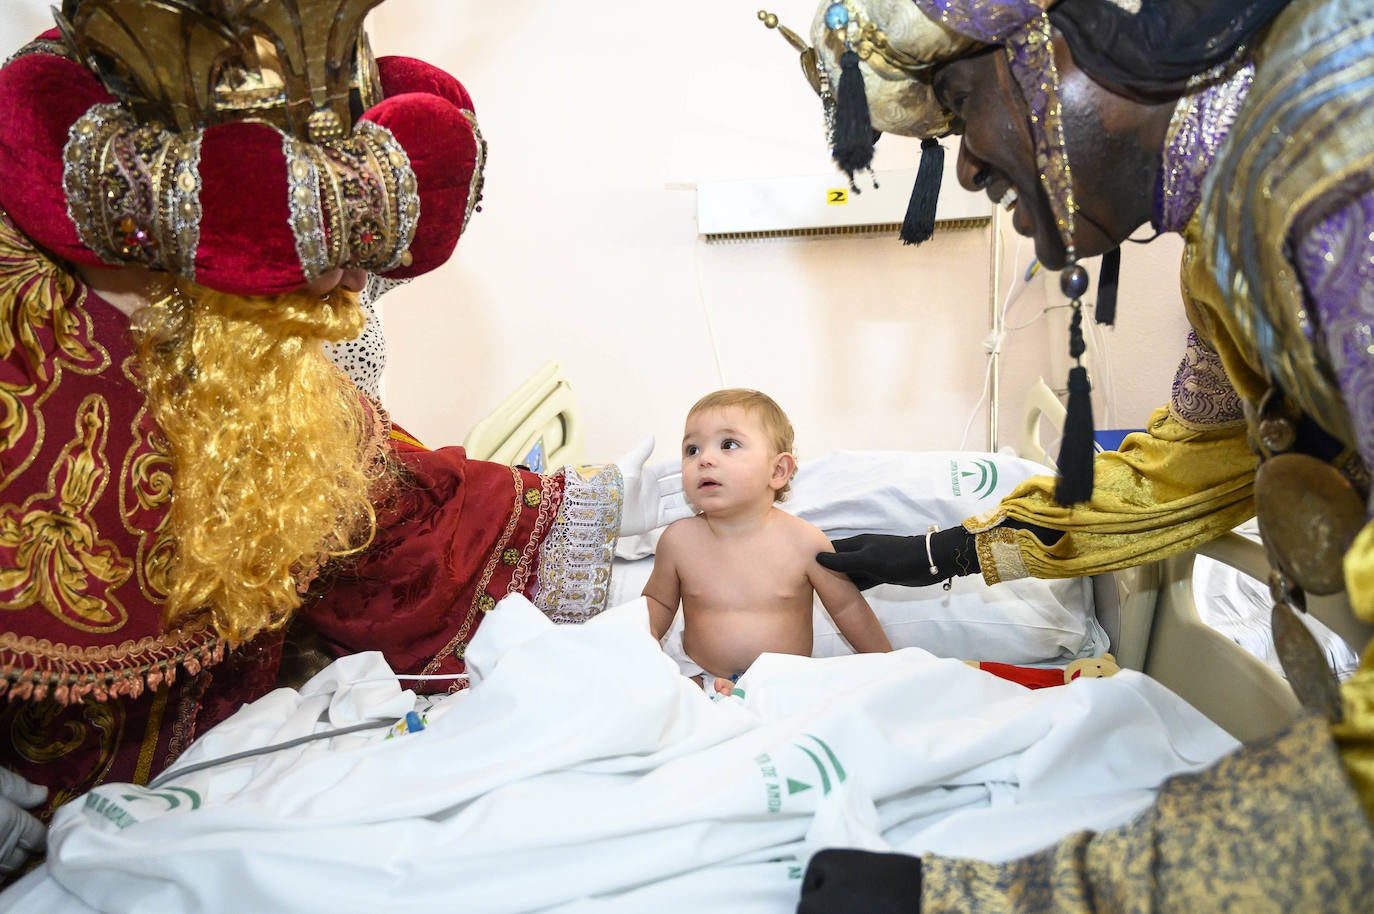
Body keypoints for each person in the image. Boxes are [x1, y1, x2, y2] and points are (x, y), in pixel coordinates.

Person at [0, 0, 638, 878]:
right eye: (308, 279)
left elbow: (388, 519)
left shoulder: (257, 373)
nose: (343, 304)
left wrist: (626, 519)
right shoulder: (32, 337)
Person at [764, 0, 1374, 909]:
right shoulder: (1233, 228)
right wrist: (947, 552)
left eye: (961, 104)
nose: (966, 167)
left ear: (1084, 37)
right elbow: (1178, 471)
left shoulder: (1332, 174)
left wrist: (993, 899)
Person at [642, 389, 892, 692]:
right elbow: (657, 603)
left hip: (786, 683)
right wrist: (642, 653)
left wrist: (887, 666)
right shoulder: (679, 541)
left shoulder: (804, 542)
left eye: (728, 444)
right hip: (701, 678)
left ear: (777, 470)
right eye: (692, 450)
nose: (705, 459)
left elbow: (847, 609)